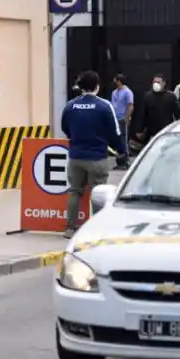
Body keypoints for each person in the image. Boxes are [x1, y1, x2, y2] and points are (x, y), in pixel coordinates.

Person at [61, 70, 126, 239]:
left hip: (75, 157)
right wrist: (121, 151)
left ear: (81, 86)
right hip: (97, 158)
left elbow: (65, 127)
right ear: (97, 86)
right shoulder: (104, 106)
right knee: (98, 193)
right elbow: (115, 132)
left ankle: (69, 228)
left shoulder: (70, 106)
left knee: (75, 191)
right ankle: (97, 230)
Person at [135, 74, 180, 144]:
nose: (156, 84)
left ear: (164, 83)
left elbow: (178, 115)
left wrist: (178, 129)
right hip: (152, 132)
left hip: (166, 131)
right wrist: (140, 130)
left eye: (158, 82)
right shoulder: (147, 96)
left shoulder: (171, 97)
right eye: (154, 82)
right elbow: (142, 114)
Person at [110, 73, 134, 170]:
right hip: (115, 119)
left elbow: (130, 105)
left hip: (122, 119)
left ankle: (126, 161)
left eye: (115, 80)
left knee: (123, 140)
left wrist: (127, 117)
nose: (114, 82)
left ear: (119, 81)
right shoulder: (114, 92)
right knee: (117, 141)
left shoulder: (127, 92)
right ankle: (119, 162)